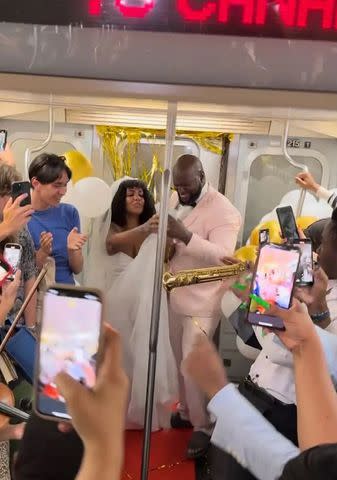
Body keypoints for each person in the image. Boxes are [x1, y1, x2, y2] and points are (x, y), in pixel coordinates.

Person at [183, 297, 337, 480]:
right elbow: (253, 342)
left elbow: (276, 349)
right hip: (250, 392)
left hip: (282, 412)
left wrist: (220, 393)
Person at [84, 177, 177, 431]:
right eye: (130, 195)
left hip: (145, 306)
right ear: (120, 200)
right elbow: (112, 246)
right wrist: (147, 228)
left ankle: (141, 410)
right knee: (120, 357)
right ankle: (116, 411)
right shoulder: (111, 228)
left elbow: (167, 256)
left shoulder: (153, 230)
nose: (137, 198)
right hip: (117, 306)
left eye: (141, 195)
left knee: (142, 355)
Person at [167, 154, 241, 458]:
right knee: (177, 362)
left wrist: (185, 236)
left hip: (202, 300)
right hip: (174, 294)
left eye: (186, 186)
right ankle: (186, 411)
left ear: (201, 175)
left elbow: (225, 258)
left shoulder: (225, 211)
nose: (181, 192)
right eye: (177, 187)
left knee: (193, 365)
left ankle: (204, 427)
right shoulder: (175, 196)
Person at [27, 153, 87, 285]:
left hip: (67, 293)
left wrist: (73, 250)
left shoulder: (69, 212)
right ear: (36, 183)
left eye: (65, 185)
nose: (63, 191)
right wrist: (43, 252)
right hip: (38, 295)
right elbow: (24, 274)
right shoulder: (21, 217)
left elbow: (77, 269)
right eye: (57, 185)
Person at [0, 165, 37, 327]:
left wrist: (31, 328)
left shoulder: (21, 230)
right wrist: (6, 227)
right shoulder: (10, 227)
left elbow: (30, 277)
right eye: (9, 193)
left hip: (13, 322)